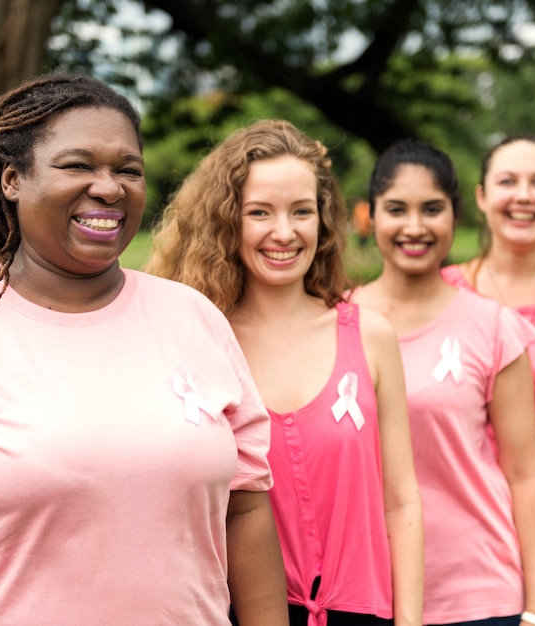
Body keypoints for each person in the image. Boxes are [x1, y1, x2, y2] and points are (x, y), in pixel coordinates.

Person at [0, 73, 289, 626]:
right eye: (78, 165)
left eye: (127, 170)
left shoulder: (193, 318)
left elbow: (246, 506)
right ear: (13, 179)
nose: (109, 188)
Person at [145, 119, 424, 626]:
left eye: (302, 211)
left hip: (365, 613)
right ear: (228, 221)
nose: (284, 232)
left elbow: (401, 500)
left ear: (324, 219)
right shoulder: (196, 346)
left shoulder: (370, 336)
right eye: (260, 212)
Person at [351, 139, 535, 626]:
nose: (415, 227)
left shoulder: (494, 326)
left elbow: (525, 474)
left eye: (433, 209)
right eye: (397, 209)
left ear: (455, 217)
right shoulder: (334, 320)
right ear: (371, 216)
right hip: (369, 592)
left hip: (478, 593)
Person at [442, 134, 535, 626]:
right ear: (481, 197)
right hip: (476, 529)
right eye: (508, 181)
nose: (523, 194)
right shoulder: (441, 293)